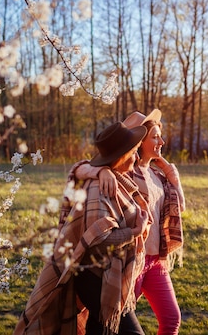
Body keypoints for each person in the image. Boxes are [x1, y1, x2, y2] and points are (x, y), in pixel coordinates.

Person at [13, 121, 151, 335]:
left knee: (99, 330)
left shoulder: (115, 178)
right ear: (122, 156)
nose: (137, 157)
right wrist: (134, 232)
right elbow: (99, 242)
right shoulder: (100, 188)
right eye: (134, 152)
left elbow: (80, 168)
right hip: (98, 280)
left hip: (103, 276)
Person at [71, 109, 185, 335]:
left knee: (171, 319)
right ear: (139, 143)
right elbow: (80, 168)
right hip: (129, 262)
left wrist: (174, 179)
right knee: (107, 322)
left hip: (154, 260)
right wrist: (101, 172)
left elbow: (178, 208)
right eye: (155, 136)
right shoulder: (122, 173)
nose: (161, 141)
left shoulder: (157, 174)